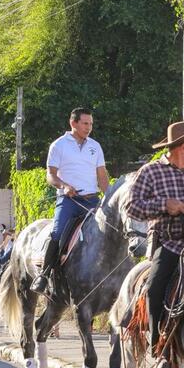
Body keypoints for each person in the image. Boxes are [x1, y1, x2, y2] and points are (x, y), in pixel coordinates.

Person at [125, 121, 184, 368]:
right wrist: (165, 205)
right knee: (155, 287)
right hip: (169, 243)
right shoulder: (150, 173)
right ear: (182, 147)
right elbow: (133, 208)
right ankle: (160, 350)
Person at [31, 107, 109, 293]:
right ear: (73, 123)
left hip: (92, 201)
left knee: (110, 231)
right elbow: (50, 175)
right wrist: (64, 186)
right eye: (85, 123)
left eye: (90, 124)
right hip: (69, 201)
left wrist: (108, 197)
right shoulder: (58, 145)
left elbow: (102, 177)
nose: (89, 127)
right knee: (58, 234)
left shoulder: (95, 146)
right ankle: (45, 274)